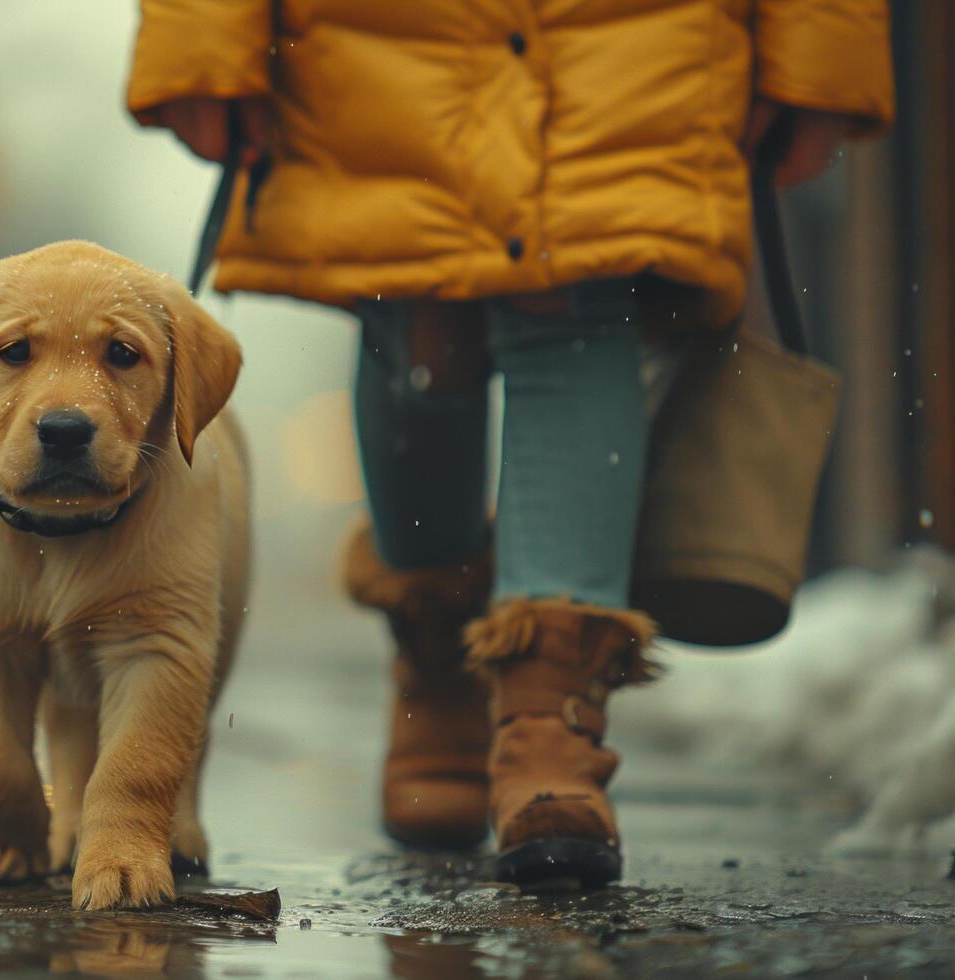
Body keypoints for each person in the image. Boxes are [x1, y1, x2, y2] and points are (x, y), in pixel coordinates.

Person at [126, 0, 894, 887]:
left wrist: (818, 54)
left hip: (632, 35)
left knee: (578, 307)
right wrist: (201, 40)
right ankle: (438, 656)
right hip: (383, 41)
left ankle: (550, 731)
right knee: (413, 309)